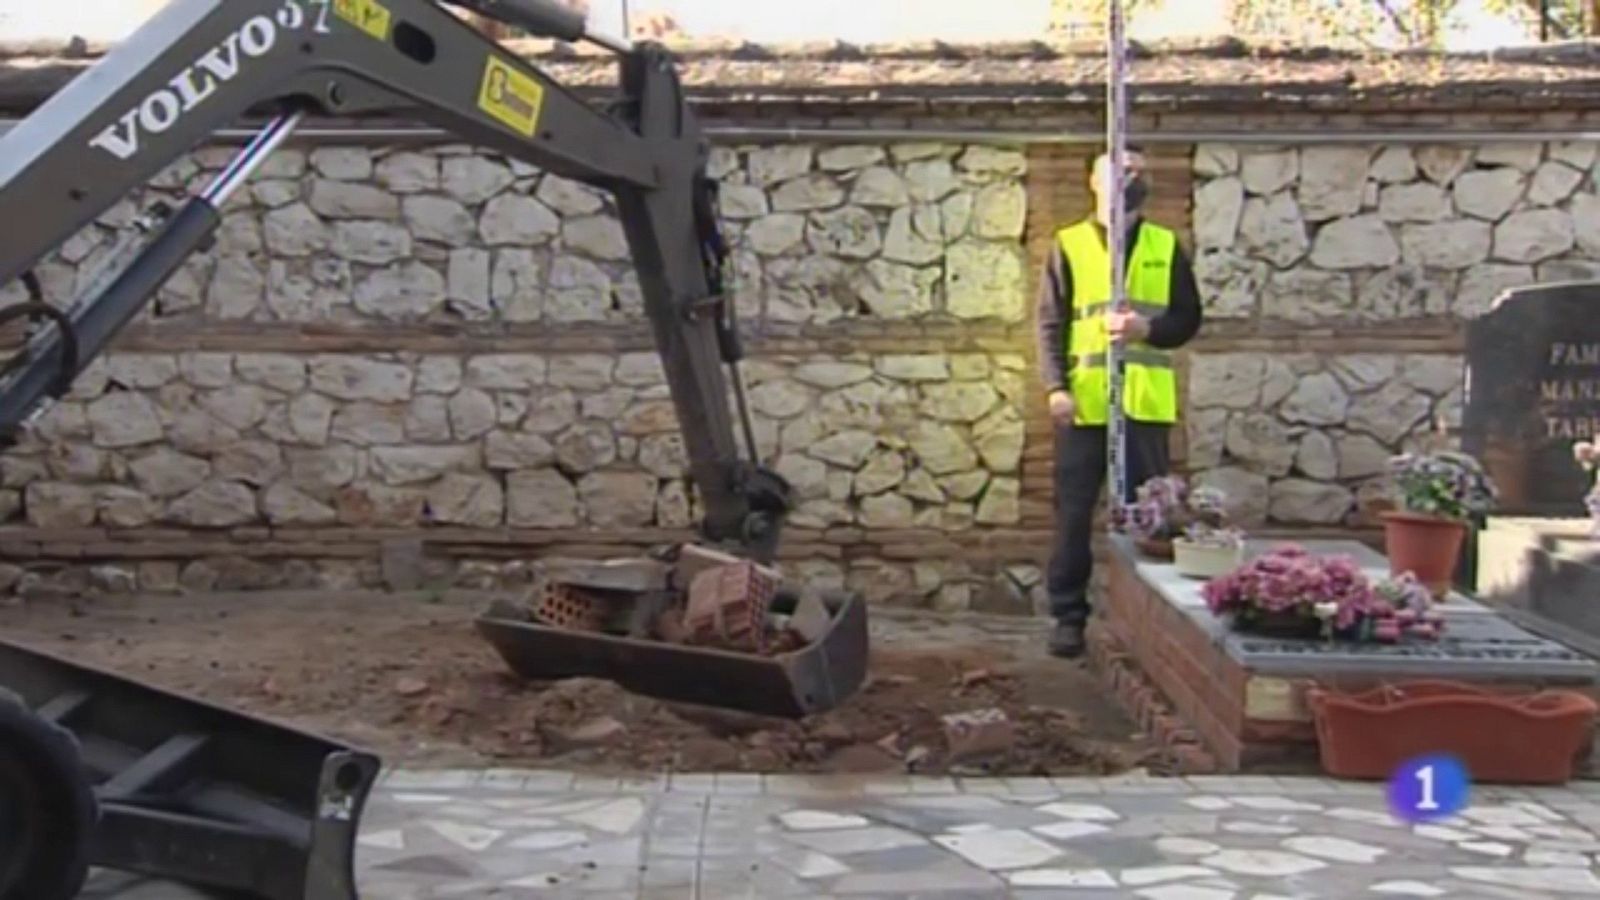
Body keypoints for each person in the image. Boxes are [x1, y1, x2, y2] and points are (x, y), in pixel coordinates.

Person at [1034, 145, 1204, 659]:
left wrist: (1146, 329)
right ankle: (1068, 618)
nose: (1129, 178)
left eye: (1136, 171)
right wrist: (1056, 388)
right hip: (1085, 407)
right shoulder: (1069, 244)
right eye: (1118, 171)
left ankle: (1142, 628)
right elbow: (1049, 323)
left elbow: (1187, 319)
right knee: (1073, 517)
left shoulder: (1163, 245)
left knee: (1148, 519)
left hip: (1144, 407)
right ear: (1094, 181)